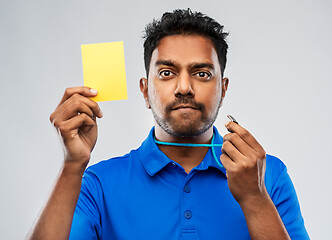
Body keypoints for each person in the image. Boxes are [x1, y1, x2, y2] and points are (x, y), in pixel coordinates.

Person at [28, 9, 309, 240]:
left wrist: (255, 198)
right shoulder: (98, 185)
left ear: (223, 89)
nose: (184, 87)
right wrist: (72, 166)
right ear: (145, 90)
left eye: (201, 73)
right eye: (166, 72)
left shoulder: (268, 175)